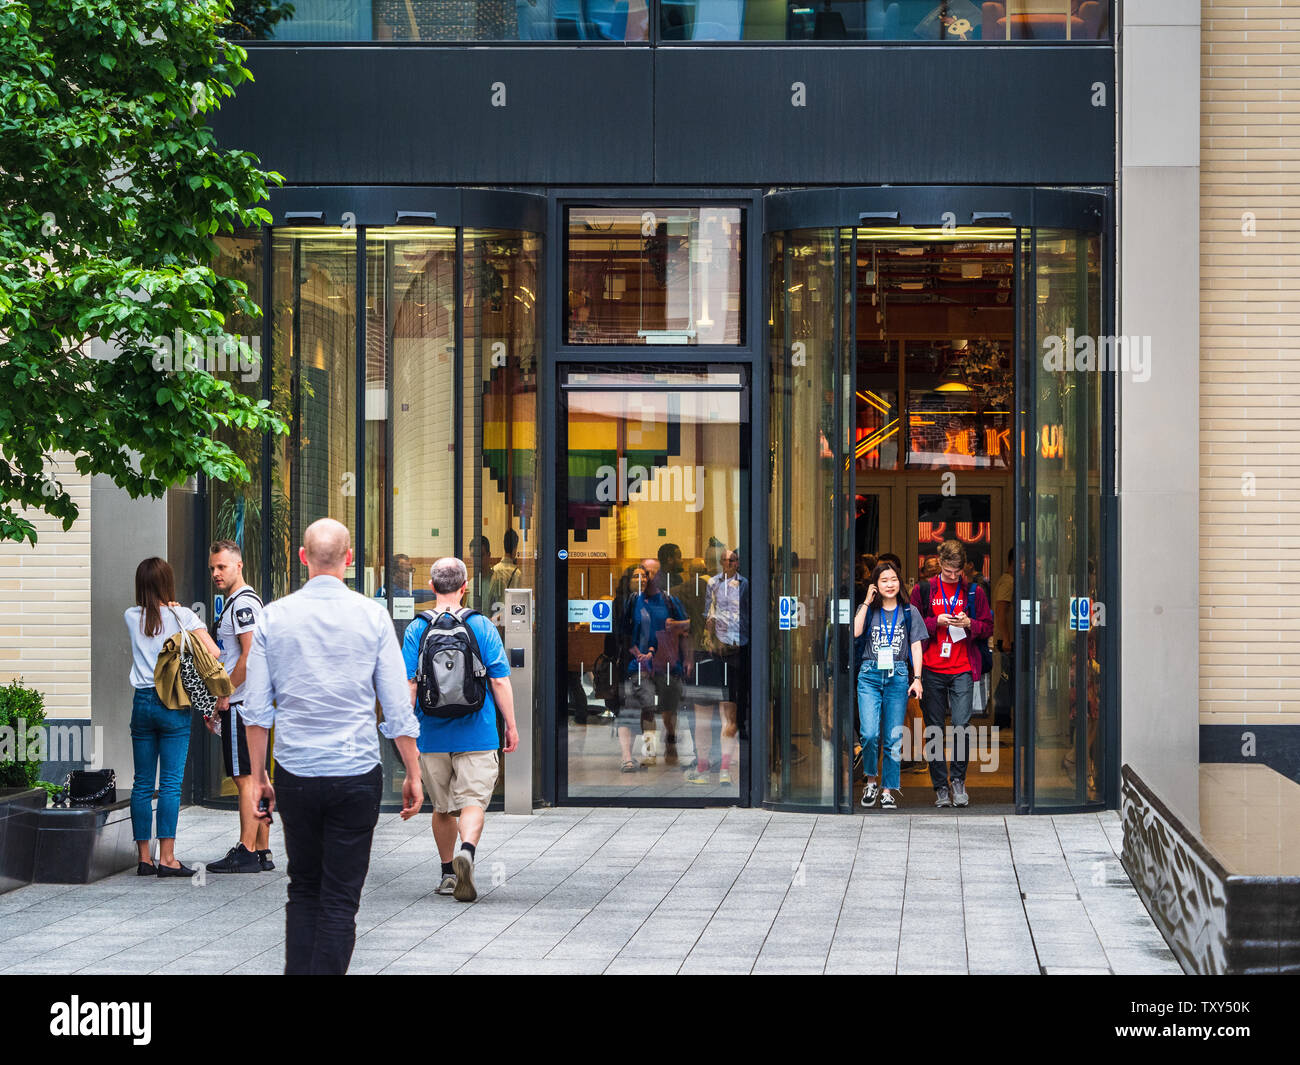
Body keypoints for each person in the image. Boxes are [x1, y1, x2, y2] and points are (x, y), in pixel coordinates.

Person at [243, 518, 424, 975]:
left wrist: (258, 778)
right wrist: (413, 772)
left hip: (296, 772)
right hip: (355, 774)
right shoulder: (372, 615)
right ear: (348, 560)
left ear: (303, 558)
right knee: (341, 897)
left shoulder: (274, 616)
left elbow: (257, 711)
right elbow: (396, 708)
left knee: (303, 887)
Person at [402, 557, 518, 903]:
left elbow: (409, 684)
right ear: (465, 587)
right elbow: (499, 680)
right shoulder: (480, 626)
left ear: (433, 586)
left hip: (432, 733)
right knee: (473, 804)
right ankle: (466, 850)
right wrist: (510, 725)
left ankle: (448, 874)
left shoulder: (416, 628)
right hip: (478, 732)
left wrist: (406, 731)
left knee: (442, 808)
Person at [125, 557, 222, 878]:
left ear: (140, 585)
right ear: (167, 584)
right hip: (173, 704)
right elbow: (214, 653)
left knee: (141, 784)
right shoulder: (182, 615)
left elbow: (151, 616)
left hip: (142, 703)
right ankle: (167, 858)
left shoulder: (130, 616)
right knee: (169, 784)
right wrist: (180, 614)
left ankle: (144, 858)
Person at [205, 540, 272, 873]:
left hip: (242, 703)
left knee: (245, 778)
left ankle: (246, 850)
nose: (216, 573)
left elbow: (249, 655)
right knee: (257, 776)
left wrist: (223, 695)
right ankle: (262, 850)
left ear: (239, 566)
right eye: (213, 568)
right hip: (250, 703)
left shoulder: (242, 605)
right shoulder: (241, 602)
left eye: (222, 567)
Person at [910, 539, 993, 809]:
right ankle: (940, 787)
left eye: (958, 571)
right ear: (940, 563)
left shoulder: (973, 592)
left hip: (962, 668)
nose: (954, 576)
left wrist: (970, 623)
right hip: (932, 668)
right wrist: (937, 622)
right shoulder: (924, 590)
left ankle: (958, 780)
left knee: (960, 726)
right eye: (948, 570)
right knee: (934, 729)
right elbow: (911, 625)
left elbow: (987, 626)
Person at [855, 560, 925, 810]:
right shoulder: (870, 610)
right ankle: (871, 780)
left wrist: (917, 678)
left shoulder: (909, 611)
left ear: (900, 582)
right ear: (875, 584)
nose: (889, 584)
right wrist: (866, 600)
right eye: (883, 580)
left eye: (893, 579)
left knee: (893, 737)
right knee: (870, 733)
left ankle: (888, 789)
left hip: (898, 675)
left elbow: (916, 645)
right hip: (869, 675)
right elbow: (854, 631)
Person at [690, 546, 749, 786]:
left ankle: (725, 766)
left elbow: (745, 616)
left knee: (729, 711)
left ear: (737, 563)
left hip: (735, 650)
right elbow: (708, 614)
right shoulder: (712, 584)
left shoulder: (744, 584)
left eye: (732, 560)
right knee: (703, 712)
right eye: (724, 560)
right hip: (713, 651)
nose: (727, 564)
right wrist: (709, 639)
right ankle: (703, 764)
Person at [992, 547, 1015, 737]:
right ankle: (1001, 722)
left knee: (1006, 681)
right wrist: (1007, 639)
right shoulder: (1008, 581)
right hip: (1007, 641)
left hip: (1007, 639)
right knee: (1006, 682)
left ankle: (1004, 721)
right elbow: (1000, 611)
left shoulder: (1008, 580)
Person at [486, 528, 522, 623]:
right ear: (515, 547)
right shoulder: (517, 573)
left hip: (495, 618)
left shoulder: (494, 570)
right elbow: (519, 599)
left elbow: (490, 598)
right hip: (511, 618)